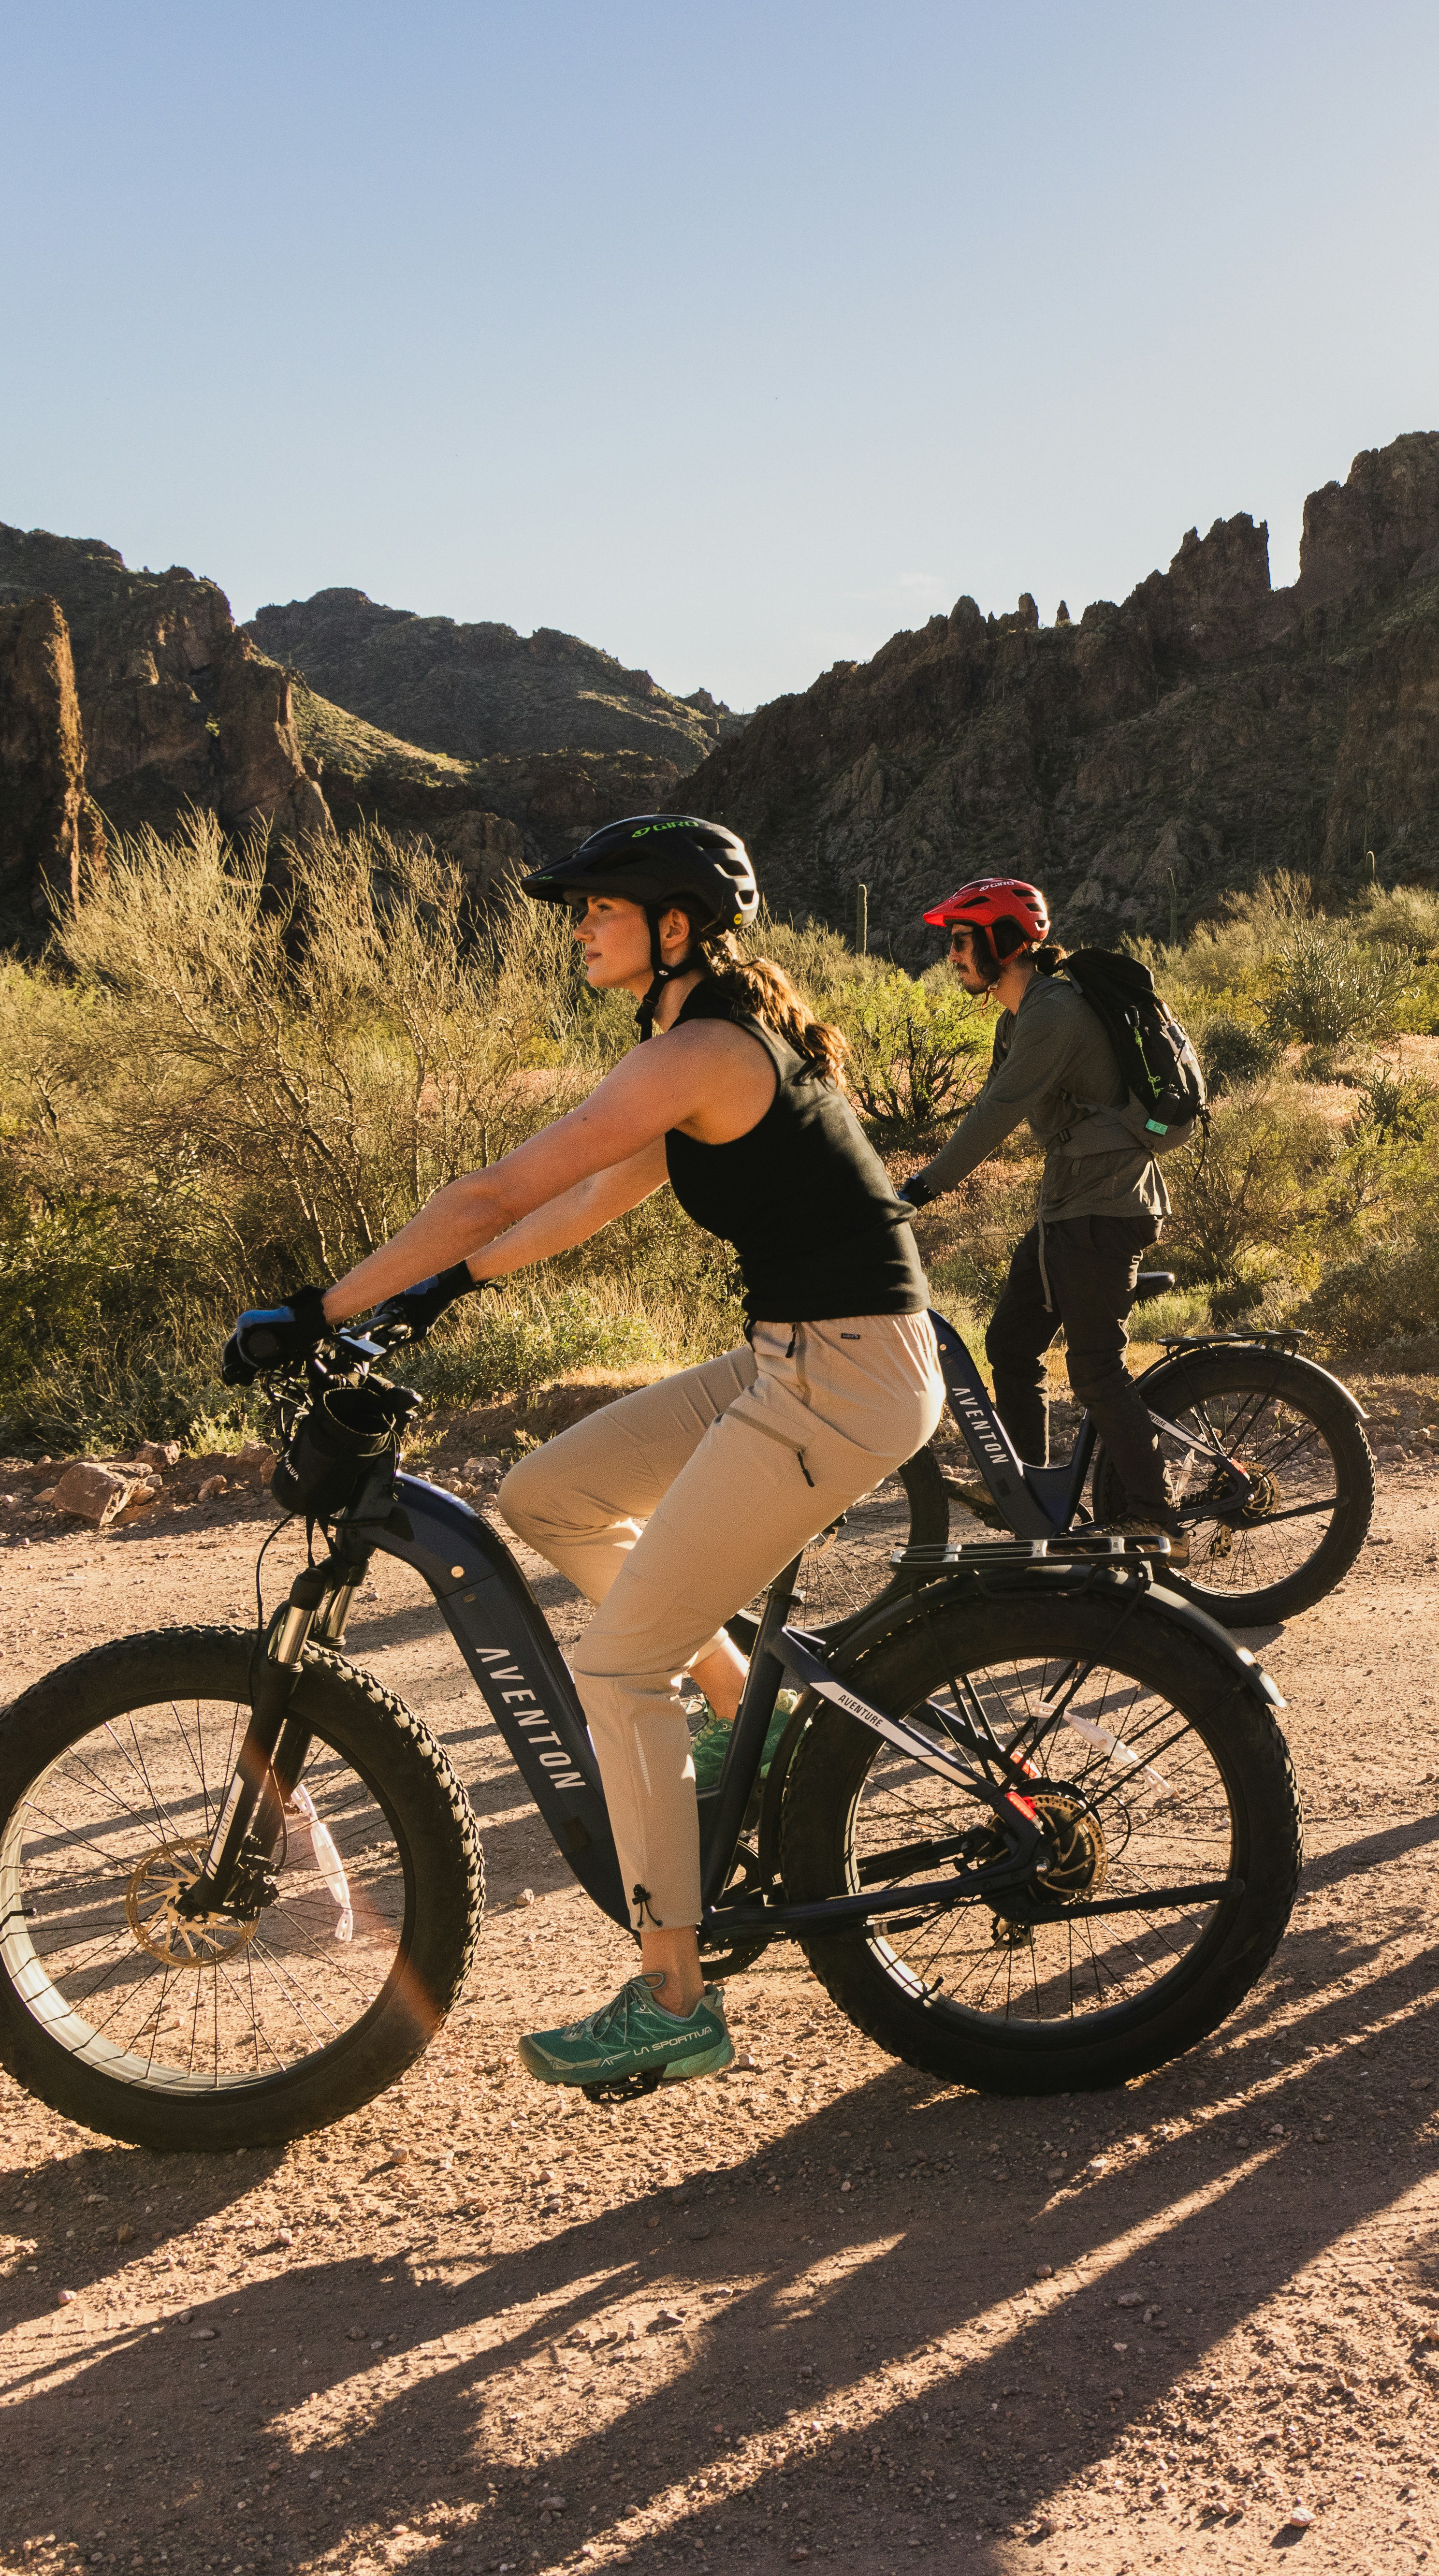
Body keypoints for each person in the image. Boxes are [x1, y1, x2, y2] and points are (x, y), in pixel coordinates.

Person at [222, 815, 943, 2093]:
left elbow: (493, 1191)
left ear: (673, 925)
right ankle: (743, 1713)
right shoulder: (697, 1045)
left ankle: (675, 1996)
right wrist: (440, 1291)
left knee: (619, 1666)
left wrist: (320, 1309)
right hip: (806, 1354)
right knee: (549, 1492)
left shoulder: (708, 1049)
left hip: (844, 1374)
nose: (578, 929)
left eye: (599, 910)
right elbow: (584, 1201)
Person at [892, 877, 1182, 1538]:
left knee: (1094, 1368)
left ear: (1001, 941)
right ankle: (1027, 1496)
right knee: (1012, 1343)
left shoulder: (1054, 1013)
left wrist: (920, 1189)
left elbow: (997, 1113)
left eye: (962, 942)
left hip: (1102, 1209)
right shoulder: (1020, 1018)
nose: (953, 956)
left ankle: (1155, 1516)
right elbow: (990, 1106)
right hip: (1069, 1209)